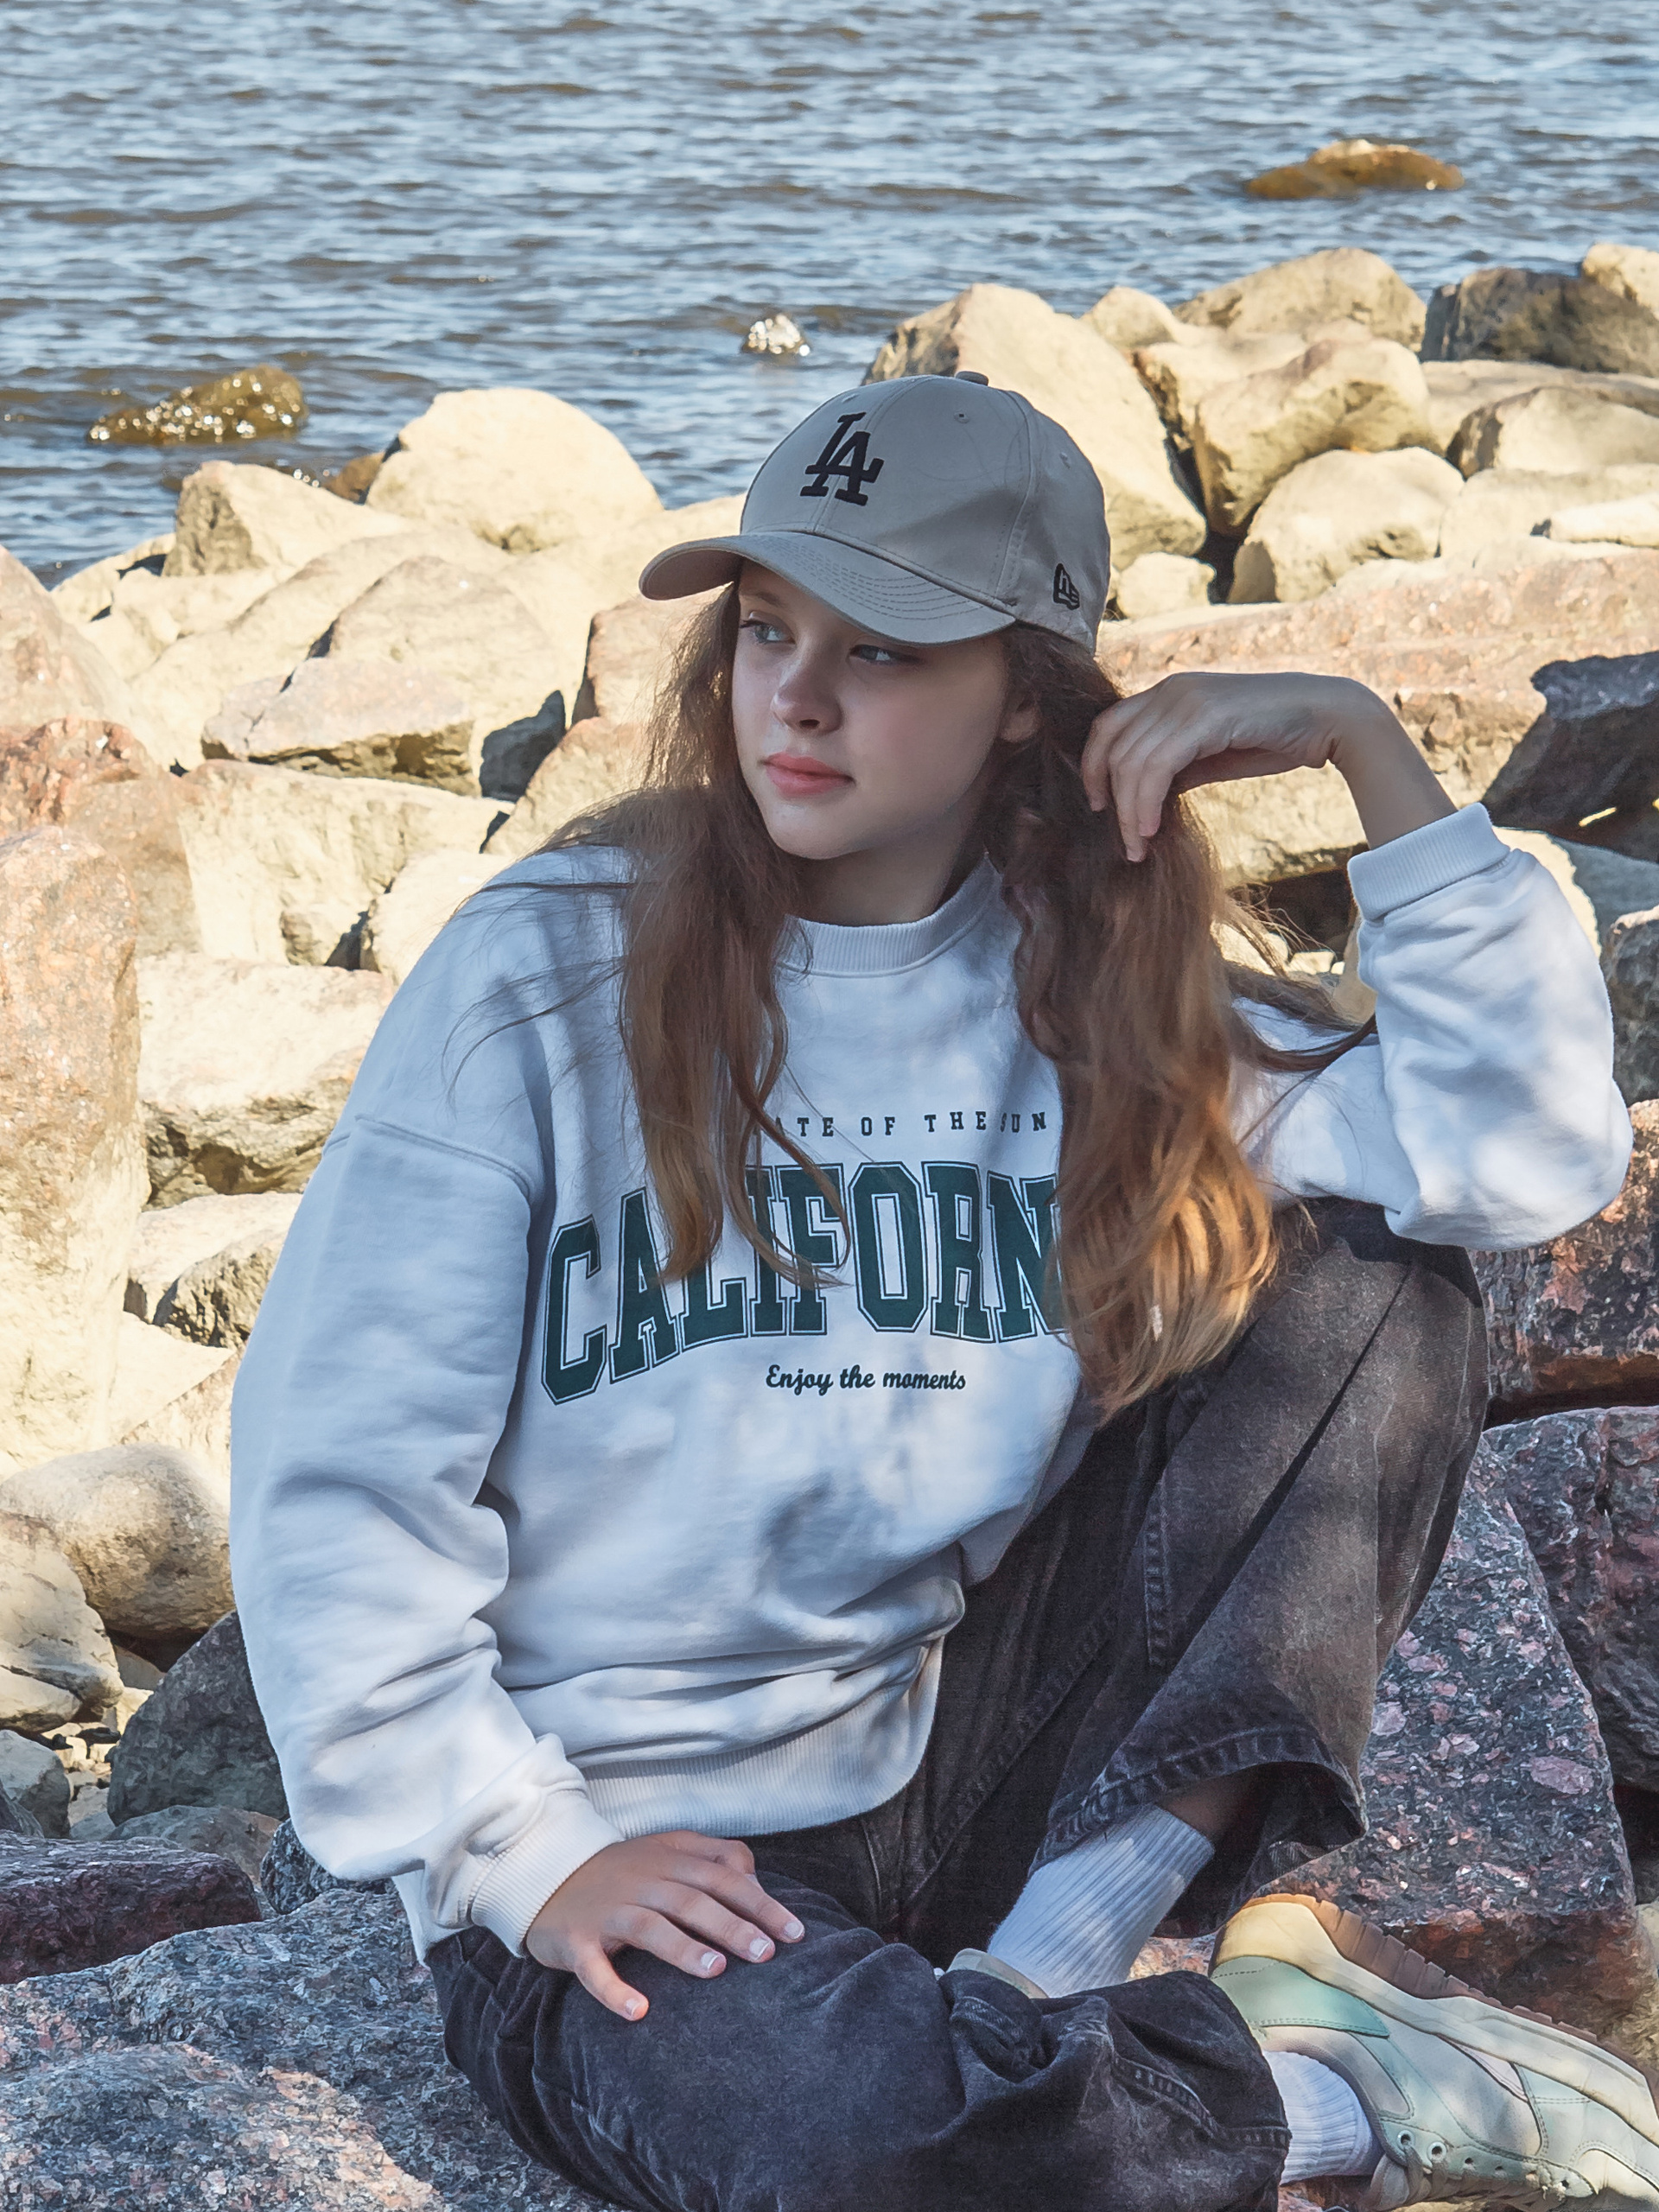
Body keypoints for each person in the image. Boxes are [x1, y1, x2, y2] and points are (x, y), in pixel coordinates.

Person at [231, 372, 1659, 2212]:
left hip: (961, 1768)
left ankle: (1044, 1980)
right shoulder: (541, 974)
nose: (797, 697)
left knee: (1382, 1275)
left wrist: (1363, 745)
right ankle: (1329, 2099)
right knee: (849, 2142)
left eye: (884, 648)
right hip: (623, 1843)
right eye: (766, 631)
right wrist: (520, 1847)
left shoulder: (1087, 983)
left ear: (1026, 698)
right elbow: (337, 1470)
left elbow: (1516, 1156)